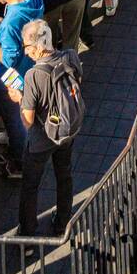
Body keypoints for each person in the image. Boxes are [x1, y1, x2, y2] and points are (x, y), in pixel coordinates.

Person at [17, 18, 81, 238]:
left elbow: (27, 120)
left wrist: (19, 98)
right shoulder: (70, 56)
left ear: (37, 47)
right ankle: (63, 224)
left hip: (42, 139)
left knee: (30, 186)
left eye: (26, 47)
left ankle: (27, 233)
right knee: (64, 176)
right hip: (66, 130)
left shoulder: (33, 75)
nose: (25, 52)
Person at [0, 0, 45, 179]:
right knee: (21, 114)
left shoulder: (11, 23)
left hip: (12, 75)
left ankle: (19, 161)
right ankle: (17, 141)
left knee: (15, 118)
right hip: (30, 66)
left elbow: (8, 60)